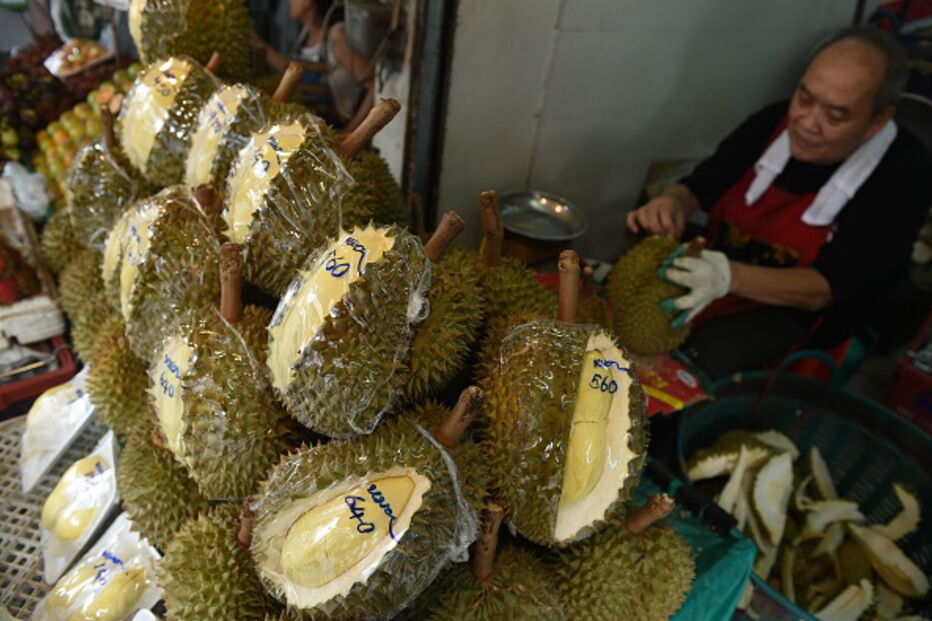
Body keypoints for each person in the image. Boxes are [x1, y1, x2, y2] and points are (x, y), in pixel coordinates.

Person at [626, 26, 932, 379]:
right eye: (804, 98)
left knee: (703, 360)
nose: (806, 123)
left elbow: (823, 290)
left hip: (803, 314)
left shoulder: (905, 175)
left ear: (877, 120)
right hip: (717, 276)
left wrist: (727, 276)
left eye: (834, 116)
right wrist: (671, 203)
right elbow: (698, 187)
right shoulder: (771, 122)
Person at [251, 0, 375, 132]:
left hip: (334, 129)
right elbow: (289, 69)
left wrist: (351, 132)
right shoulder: (304, 37)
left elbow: (373, 85)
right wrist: (256, 42)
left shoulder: (336, 38)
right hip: (310, 132)